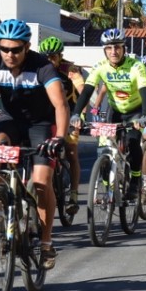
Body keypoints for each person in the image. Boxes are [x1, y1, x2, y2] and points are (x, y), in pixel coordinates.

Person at [0, 20, 69, 267]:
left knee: (41, 182)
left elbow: (61, 104)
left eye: (16, 49)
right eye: (4, 49)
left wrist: (60, 137)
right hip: (10, 120)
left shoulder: (42, 67)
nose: (10, 55)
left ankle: (46, 243)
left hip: (41, 124)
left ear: (27, 47)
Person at [70, 28, 146, 199]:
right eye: (109, 48)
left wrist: (145, 115)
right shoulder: (100, 66)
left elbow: (145, 90)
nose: (113, 51)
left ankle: (135, 181)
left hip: (135, 110)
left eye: (117, 47)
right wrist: (76, 114)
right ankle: (109, 186)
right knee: (104, 147)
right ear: (104, 50)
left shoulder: (136, 66)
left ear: (124, 48)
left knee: (133, 143)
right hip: (114, 110)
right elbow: (86, 91)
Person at [38, 35, 84, 214]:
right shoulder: (39, 68)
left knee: (71, 153)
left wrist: (80, 114)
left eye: (53, 57)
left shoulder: (70, 69)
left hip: (70, 115)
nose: (50, 61)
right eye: (46, 57)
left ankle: (73, 195)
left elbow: (82, 90)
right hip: (47, 115)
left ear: (60, 56)